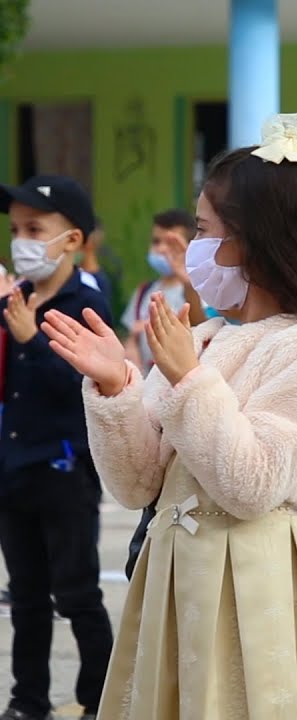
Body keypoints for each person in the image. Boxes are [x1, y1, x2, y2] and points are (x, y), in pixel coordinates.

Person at [44, 114, 297, 715]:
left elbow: (253, 485)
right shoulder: (206, 338)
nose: (193, 249)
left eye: (202, 231)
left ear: (254, 239)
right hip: (174, 573)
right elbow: (136, 485)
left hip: (253, 577)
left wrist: (188, 380)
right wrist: (117, 386)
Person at [0, 174, 114, 720]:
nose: (20, 241)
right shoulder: (15, 298)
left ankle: (100, 697)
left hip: (65, 472)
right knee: (25, 597)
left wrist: (31, 340)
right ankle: (29, 700)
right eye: (15, 230)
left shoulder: (85, 302)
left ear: (71, 240)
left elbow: (84, 387)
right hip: (14, 469)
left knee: (76, 593)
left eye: (34, 229)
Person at [122, 209, 208, 374]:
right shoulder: (143, 291)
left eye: (171, 243)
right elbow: (132, 334)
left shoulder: (201, 289)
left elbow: (202, 328)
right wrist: (131, 346)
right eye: (156, 241)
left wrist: (188, 284)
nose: (161, 249)